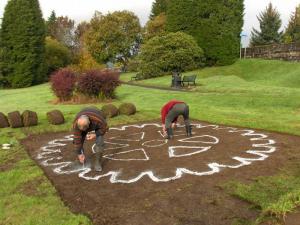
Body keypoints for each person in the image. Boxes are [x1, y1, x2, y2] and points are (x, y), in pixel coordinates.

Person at [73, 107, 108, 171]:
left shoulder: (99, 120)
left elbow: (105, 129)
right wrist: (79, 153)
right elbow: (77, 140)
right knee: (79, 139)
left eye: (85, 129)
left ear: (89, 123)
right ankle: (80, 157)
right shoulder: (76, 124)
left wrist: (95, 134)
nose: (85, 131)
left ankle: (97, 163)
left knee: (100, 142)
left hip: (98, 120)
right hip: (85, 122)